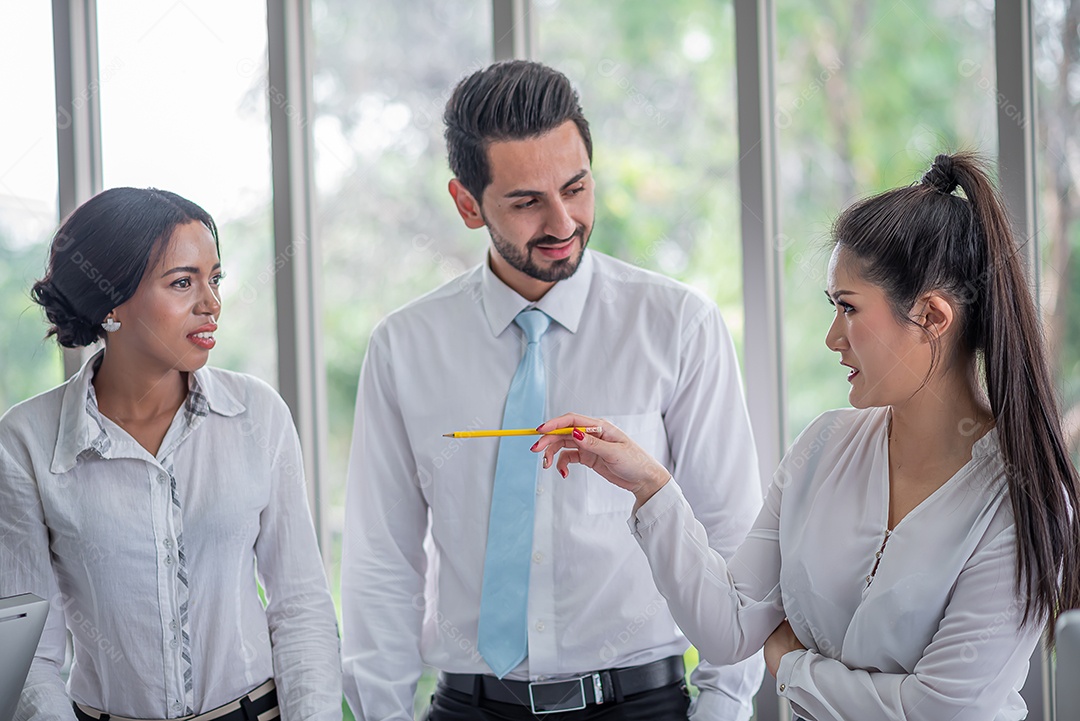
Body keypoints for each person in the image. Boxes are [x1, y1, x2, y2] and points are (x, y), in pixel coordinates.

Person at [534, 152, 1080, 721]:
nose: (832, 337)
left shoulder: (1024, 501)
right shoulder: (825, 445)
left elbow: (937, 711)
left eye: (849, 308)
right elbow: (729, 628)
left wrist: (793, 667)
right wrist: (651, 487)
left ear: (932, 317)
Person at [342, 60, 765, 720]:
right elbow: (382, 562)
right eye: (527, 202)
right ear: (467, 204)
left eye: (576, 188)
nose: (564, 221)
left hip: (640, 705)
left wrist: (721, 710)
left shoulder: (679, 326)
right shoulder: (405, 347)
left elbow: (733, 540)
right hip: (469, 707)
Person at [0, 188, 342, 721]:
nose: (211, 303)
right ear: (110, 302)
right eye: (183, 282)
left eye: (215, 279)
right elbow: (27, 657)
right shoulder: (26, 440)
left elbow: (300, 609)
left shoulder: (257, 413)